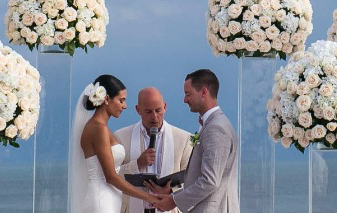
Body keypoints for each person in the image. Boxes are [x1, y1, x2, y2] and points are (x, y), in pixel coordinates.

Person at [69, 74, 165, 213]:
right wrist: (149, 197)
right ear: (107, 99)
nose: (124, 106)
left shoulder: (101, 127)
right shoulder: (98, 129)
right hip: (102, 200)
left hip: (110, 198)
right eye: (121, 100)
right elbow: (111, 177)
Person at [147, 69, 238, 213]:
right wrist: (171, 192)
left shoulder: (217, 128)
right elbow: (199, 172)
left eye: (188, 94)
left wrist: (173, 201)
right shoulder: (211, 124)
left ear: (204, 92)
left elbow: (210, 181)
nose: (184, 99)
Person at [118, 87, 195, 213]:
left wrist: (171, 191)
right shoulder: (121, 137)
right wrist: (137, 164)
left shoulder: (184, 139)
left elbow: (192, 179)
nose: (154, 117)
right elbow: (113, 177)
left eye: (158, 110)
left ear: (165, 107)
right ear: (138, 110)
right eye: (148, 112)